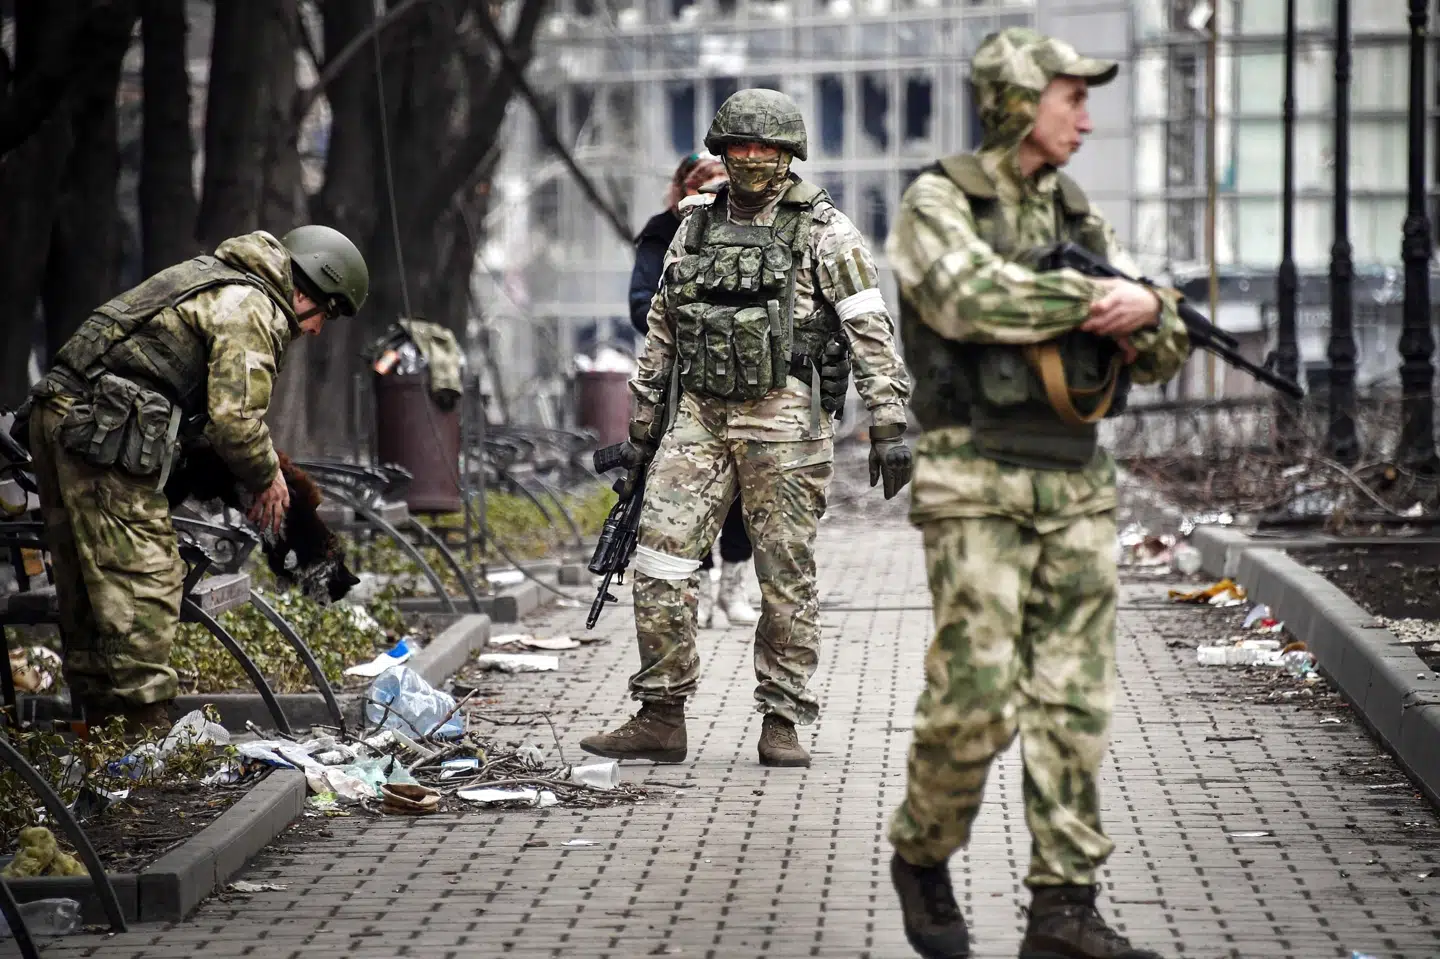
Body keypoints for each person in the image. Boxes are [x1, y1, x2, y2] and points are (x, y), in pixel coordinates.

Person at [883, 29, 1190, 959]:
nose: (1086, 118)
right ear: (1020, 102)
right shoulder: (940, 199)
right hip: (973, 476)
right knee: (977, 701)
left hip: (1076, 483)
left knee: (1073, 702)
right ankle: (922, 852)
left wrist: (1154, 308)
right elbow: (968, 301)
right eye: (1071, 99)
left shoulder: (1079, 216)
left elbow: (1165, 345)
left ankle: (1064, 908)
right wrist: (1112, 301)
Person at [581, 88, 914, 769]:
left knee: (784, 576)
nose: (754, 158)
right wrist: (642, 432)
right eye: (741, 146)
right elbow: (663, 333)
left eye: (768, 148)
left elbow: (870, 331)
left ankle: (783, 717)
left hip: (786, 423)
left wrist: (889, 420)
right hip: (699, 418)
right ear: (721, 150)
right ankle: (661, 713)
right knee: (658, 561)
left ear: (791, 154)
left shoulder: (827, 233)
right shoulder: (695, 226)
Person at [26, 226, 369, 734]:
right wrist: (266, 476)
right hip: (102, 433)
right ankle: (144, 736)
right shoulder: (254, 307)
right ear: (308, 291)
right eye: (327, 314)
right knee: (144, 580)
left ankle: (97, 732)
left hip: (64, 418)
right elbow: (235, 422)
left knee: (88, 587)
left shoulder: (218, 279)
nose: (317, 330)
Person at [628, 151, 761, 629]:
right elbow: (643, 304)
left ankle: (734, 587)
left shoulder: (756, 229)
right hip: (683, 384)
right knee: (687, 493)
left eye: (720, 185)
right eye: (701, 186)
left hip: (747, 384)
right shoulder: (665, 231)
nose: (712, 196)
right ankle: (700, 589)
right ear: (684, 189)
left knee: (747, 491)